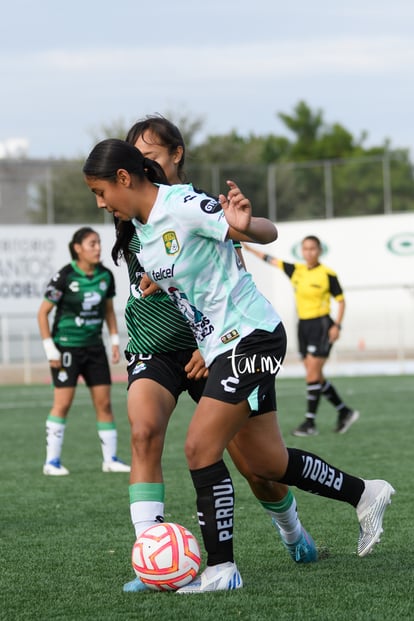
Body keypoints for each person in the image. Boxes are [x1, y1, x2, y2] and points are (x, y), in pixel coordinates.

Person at [83, 139, 394, 593]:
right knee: (267, 461)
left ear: (124, 179)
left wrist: (249, 226)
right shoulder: (143, 235)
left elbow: (260, 232)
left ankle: (222, 569)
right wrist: (159, 283)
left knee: (199, 448)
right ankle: (364, 493)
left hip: (250, 336)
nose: (100, 202)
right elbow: (188, 274)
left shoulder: (182, 203)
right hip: (222, 345)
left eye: (100, 191)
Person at [111, 117, 317, 593]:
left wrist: (215, 344)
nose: (141, 165)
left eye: (151, 155)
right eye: (134, 157)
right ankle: (152, 557)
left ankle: (293, 533)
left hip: (215, 346)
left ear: (176, 154)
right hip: (154, 346)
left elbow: (236, 259)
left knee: (257, 465)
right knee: (143, 433)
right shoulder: (127, 203)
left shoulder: (193, 203)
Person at [244, 237, 359, 437]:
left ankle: (309, 423)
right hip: (303, 327)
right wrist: (247, 247)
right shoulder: (296, 270)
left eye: (312, 249)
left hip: (322, 325)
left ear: (319, 250)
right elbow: (270, 259)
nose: (309, 252)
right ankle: (344, 411)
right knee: (315, 375)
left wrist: (337, 325)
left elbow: (341, 301)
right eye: (305, 249)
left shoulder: (327, 274)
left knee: (312, 375)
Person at [37, 226, 130, 475]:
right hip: (67, 347)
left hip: (95, 348)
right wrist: (51, 350)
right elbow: (42, 313)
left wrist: (113, 341)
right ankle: (51, 462)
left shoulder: (105, 276)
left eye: (99, 242)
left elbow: (109, 311)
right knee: (63, 404)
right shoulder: (65, 276)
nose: (98, 248)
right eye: (92, 244)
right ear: (78, 248)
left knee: (105, 404)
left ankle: (110, 460)